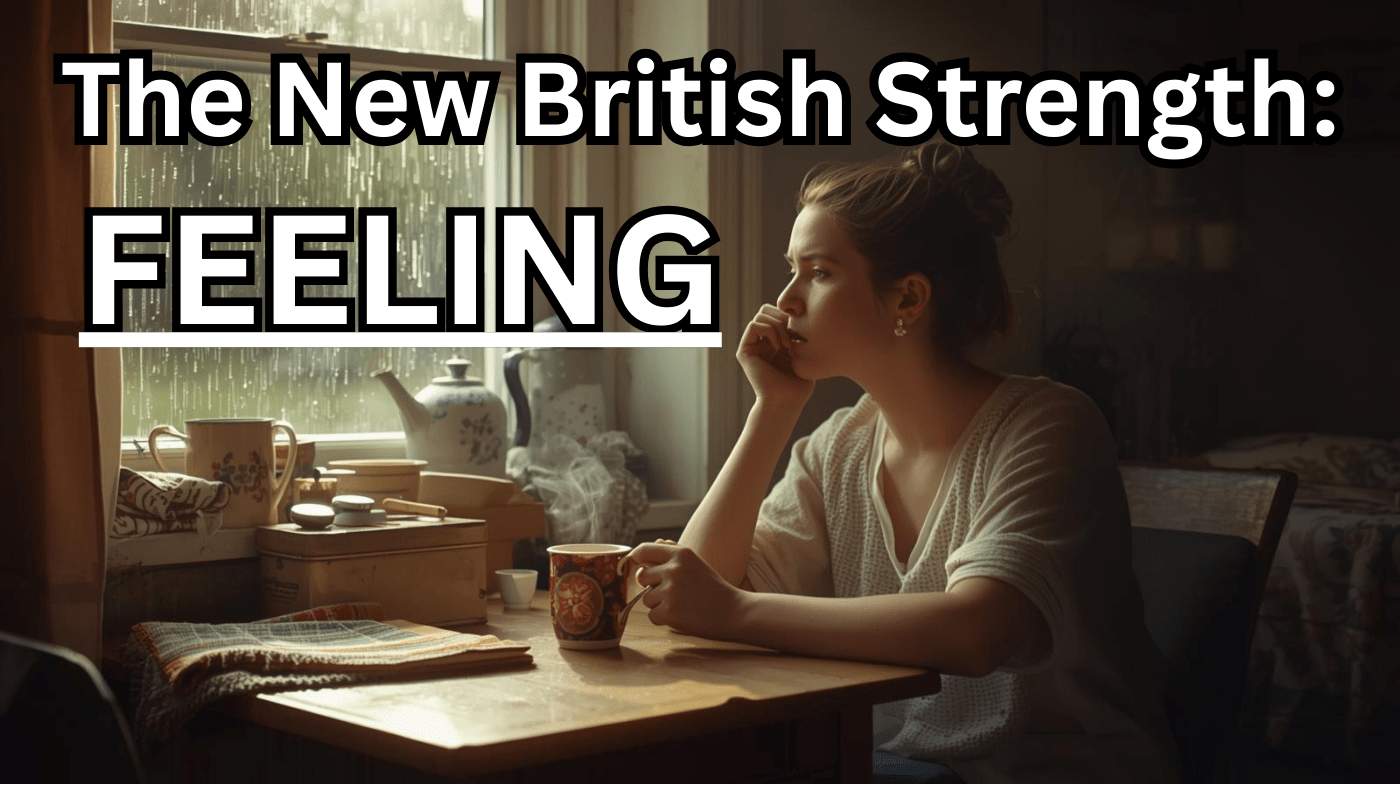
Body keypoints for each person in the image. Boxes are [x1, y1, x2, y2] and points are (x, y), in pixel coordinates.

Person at [624, 142, 1176, 782]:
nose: (786, 300)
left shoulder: (1050, 426)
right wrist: (772, 410)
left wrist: (735, 611)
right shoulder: (838, 446)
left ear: (907, 301)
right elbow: (695, 598)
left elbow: (978, 631)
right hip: (897, 766)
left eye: (819, 271)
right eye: (791, 270)